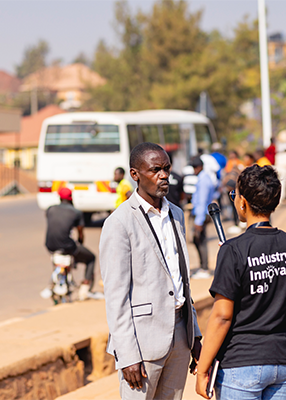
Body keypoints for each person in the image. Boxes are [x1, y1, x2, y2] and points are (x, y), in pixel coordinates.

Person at [99, 143, 202, 400]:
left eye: (166, 168)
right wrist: (127, 354)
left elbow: (181, 281)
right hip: (143, 343)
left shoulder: (176, 214)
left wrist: (195, 335)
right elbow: (116, 296)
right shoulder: (119, 223)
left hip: (180, 335)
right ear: (135, 175)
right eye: (155, 170)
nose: (164, 175)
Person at [195, 164, 286, 400]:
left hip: (242, 365)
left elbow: (222, 316)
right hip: (284, 363)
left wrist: (203, 370)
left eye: (234, 195)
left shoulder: (233, 250)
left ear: (242, 202)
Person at [45, 187, 102, 301]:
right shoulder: (76, 212)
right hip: (68, 246)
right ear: (71, 198)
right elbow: (80, 233)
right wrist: (80, 244)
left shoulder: (50, 209)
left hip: (50, 246)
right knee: (91, 258)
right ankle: (85, 289)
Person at [190, 156, 216, 279]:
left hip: (201, 214)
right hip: (201, 213)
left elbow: (202, 200)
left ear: (200, 167)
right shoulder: (203, 178)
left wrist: (198, 221)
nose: (194, 170)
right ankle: (203, 266)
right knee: (198, 240)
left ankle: (204, 268)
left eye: (195, 167)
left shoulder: (203, 180)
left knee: (200, 240)